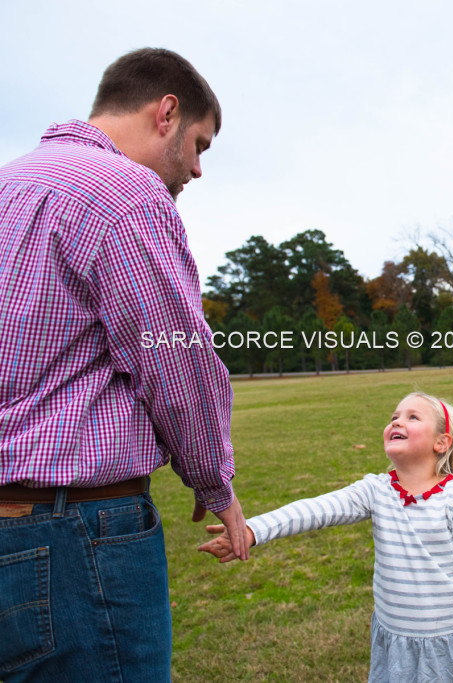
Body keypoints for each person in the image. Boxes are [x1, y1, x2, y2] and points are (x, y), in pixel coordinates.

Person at [0, 48, 249, 683]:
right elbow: (174, 361)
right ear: (165, 112)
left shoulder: (9, 182)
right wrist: (213, 481)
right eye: (199, 144)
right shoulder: (124, 195)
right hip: (76, 529)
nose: (196, 169)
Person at [200, 392, 453, 682]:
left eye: (413, 417)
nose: (397, 422)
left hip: (449, 648)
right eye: (394, 417)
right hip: (395, 644)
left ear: (442, 442)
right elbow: (318, 509)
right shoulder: (376, 490)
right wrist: (253, 529)